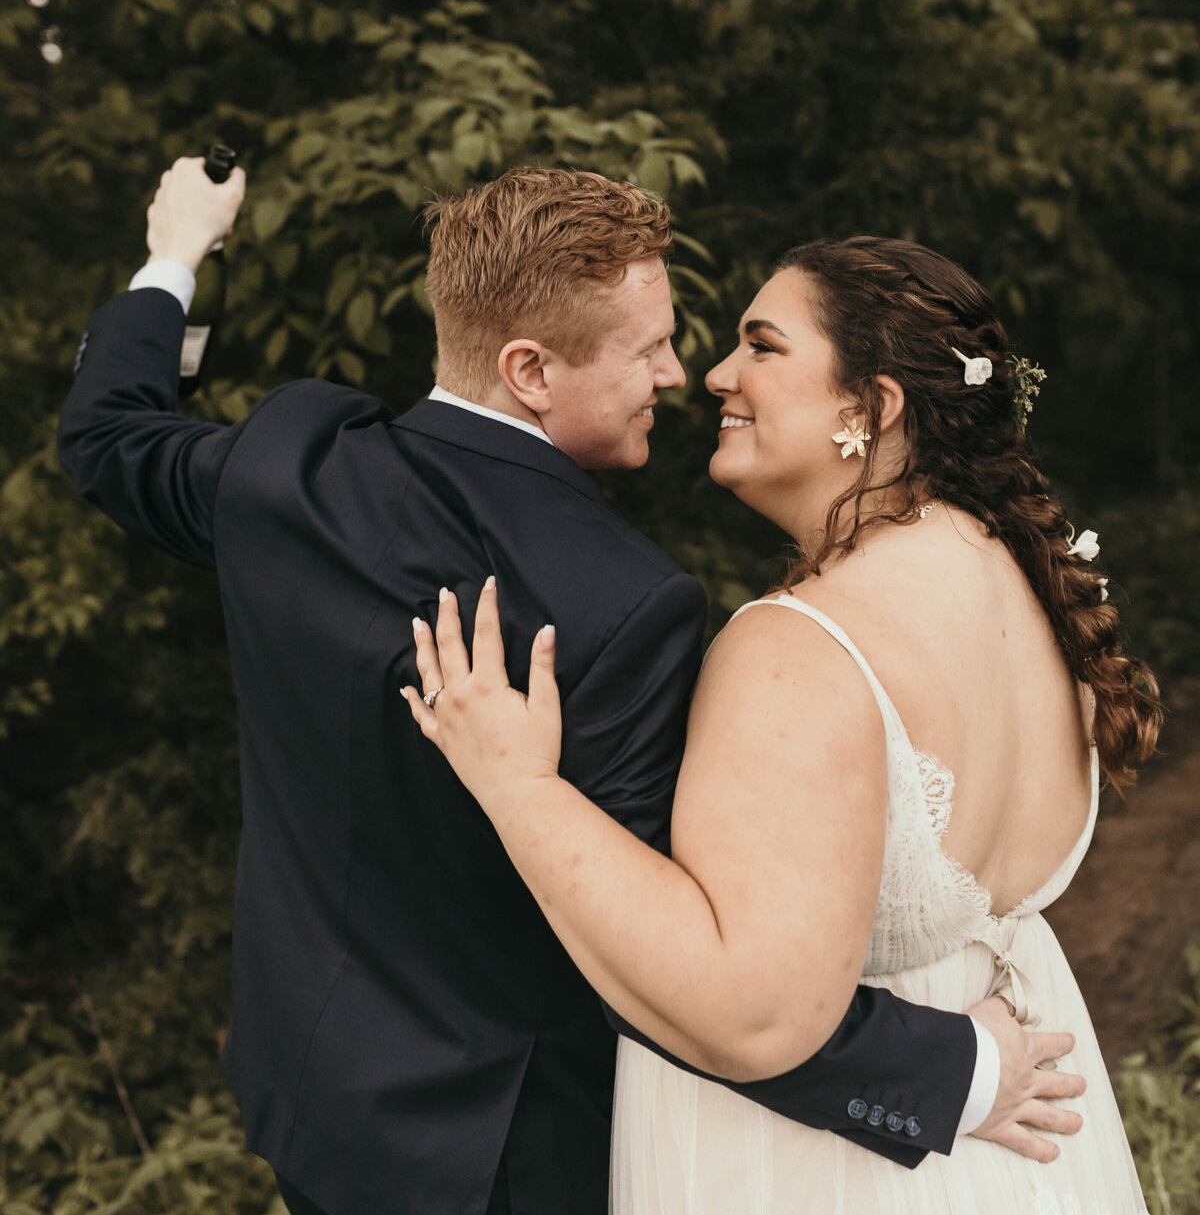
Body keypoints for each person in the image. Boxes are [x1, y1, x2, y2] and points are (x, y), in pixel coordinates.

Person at [60, 163, 1078, 1215]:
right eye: (648, 350)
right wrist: (953, 1073)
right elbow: (674, 971)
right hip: (514, 1157)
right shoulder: (625, 606)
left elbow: (105, 437)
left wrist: (175, 253)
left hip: (316, 1108)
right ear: (532, 371)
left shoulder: (287, 466)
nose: (679, 376)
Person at [405, 236, 1160, 1213]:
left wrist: (520, 788)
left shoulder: (798, 647)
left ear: (871, 405)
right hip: (1010, 1153)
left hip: (821, 1173)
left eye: (762, 345)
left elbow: (750, 1015)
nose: (715, 374)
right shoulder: (1028, 584)